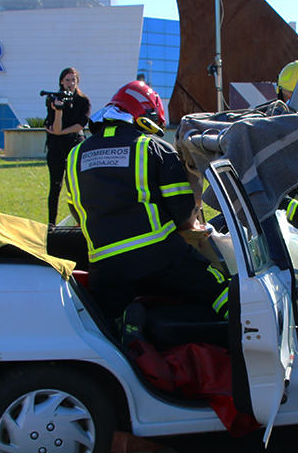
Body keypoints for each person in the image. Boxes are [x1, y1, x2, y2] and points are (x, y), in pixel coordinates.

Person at [65, 81, 229, 330]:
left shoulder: (75, 154)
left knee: (104, 328)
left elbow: (77, 212)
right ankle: (254, 337)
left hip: (105, 266)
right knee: (220, 291)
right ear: (146, 116)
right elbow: (182, 211)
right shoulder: (153, 147)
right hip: (161, 256)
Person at [45, 67, 91, 225]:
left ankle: (82, 221)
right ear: (61, 82)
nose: (70, 83)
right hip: (56, 147)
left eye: (73, 80)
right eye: (67, 80)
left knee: (79, 185)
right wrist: (58, 110)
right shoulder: (52, 99)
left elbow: (81, 124)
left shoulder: (83, 100)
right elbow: (55, 130)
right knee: (55, 186)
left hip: (75, 145)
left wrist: (63, 131)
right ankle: (51, 224)